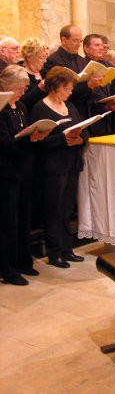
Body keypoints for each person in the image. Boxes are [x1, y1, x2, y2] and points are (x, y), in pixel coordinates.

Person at [30, 67, 88, 269]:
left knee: (67, 208)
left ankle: (67, 248)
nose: (70, 92)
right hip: (52, 167)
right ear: (54, 87)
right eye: (67, 88)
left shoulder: (70, 105)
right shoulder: (40, 108)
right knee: (53, 209)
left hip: (71, 163)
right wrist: (63, 139)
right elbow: (38, 142)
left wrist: (80, 139)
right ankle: (55, 252)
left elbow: (84, 130)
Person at [0, 66, 49, 285]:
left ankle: (23, 261)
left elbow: (23, 133)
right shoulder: (1, 109)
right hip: (6, 172)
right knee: (9, 221)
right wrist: (28, 139)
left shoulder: (20, 106)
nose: (22, 92)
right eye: (19, 88)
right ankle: (8, 269)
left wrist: (37, 135)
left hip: (24, 169)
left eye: (24, 88)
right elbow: (4, 143)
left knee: (24, 218)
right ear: (5, 86)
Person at [44, 24, 103, 119]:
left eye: (80, 40)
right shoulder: (53, 60)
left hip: (85, 111)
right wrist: (87, 85)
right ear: (64, 40)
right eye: (75, 40)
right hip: (66, 112)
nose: (79, 44)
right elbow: (57, 90)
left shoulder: (82, 60)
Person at [19, 37, 48, 112]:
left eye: (45, 57)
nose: (45, 61)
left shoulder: (44, 72)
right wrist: (39, 89)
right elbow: (20, 102)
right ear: (29, 57)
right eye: (41, 58)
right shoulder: (18, 74)